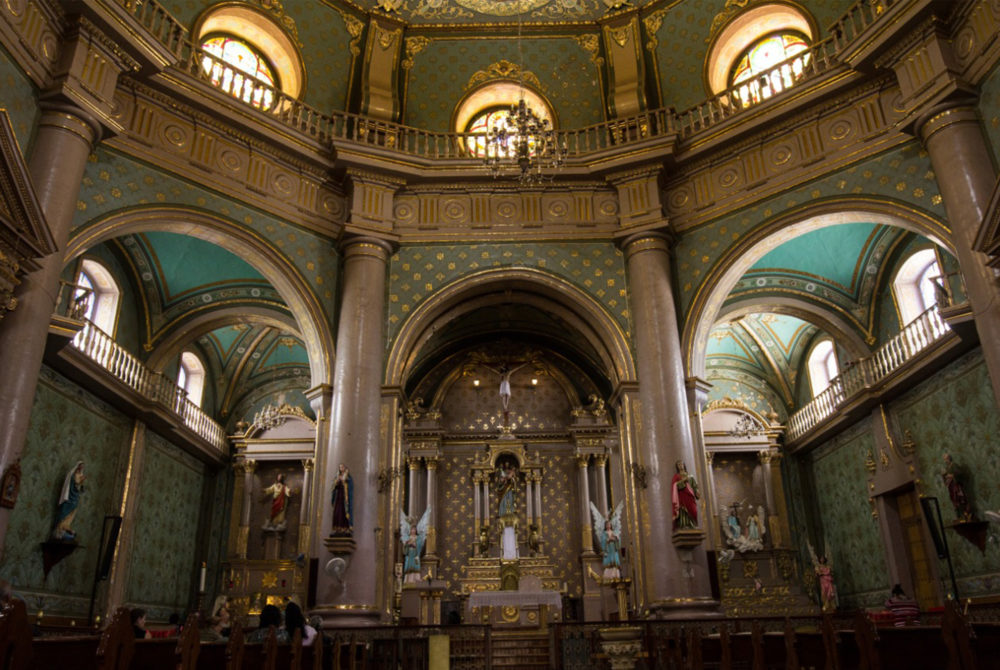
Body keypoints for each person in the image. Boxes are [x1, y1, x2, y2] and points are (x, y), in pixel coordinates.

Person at [53, 461, 85, 541]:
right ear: (77, 467)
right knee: (65, 511)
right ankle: (60, 528)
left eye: (82, 467)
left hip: (75, 497)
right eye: (80, 466)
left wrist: (81, 484)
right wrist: (80, 481)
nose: (81, 468)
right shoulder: (73, 475)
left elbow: (80, 487)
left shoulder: (80, 475)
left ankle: (66, 527)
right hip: (70, 497)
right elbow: (74, 484)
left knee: (72, 512)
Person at [942, 453, 974, 522]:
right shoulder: (947, 468)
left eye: (946, 459)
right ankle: (960, 516)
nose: (945, 461)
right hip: (951, 487)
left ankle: (967, 514)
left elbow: (959, 473)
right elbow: (945, 479)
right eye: (944, 460)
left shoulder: (954, 465)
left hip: (957, 486)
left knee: (961, 499)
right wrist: (944, 476)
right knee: (955, 501)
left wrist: (952, 475)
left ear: (949, 458)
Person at [671, 460, 699, 529]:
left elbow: (694, 486)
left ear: (684, 465)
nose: (680, 466)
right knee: (683, 511)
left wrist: (697, 491)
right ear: (677, 467)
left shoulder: (690, 477)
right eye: (679, 465)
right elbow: (675, 486)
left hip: (690, 497)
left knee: (694, 510)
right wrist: (683, 481)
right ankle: (684, 525)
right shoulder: (676, 477)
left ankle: (693, 524)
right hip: (682, 497)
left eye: (681, 464)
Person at [331, 464, 353, 536]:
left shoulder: (348, 477)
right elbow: (334, 487)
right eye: (340, 467)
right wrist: (337, 482)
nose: (341, 468)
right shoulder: (337, 476)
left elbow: (350, 486)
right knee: (337, 512)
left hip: (345, 498)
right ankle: (337, 529)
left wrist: (344, 481)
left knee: (344, 512)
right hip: (338, 497)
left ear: (345, 468)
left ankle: (345, 528)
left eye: (343, 467)